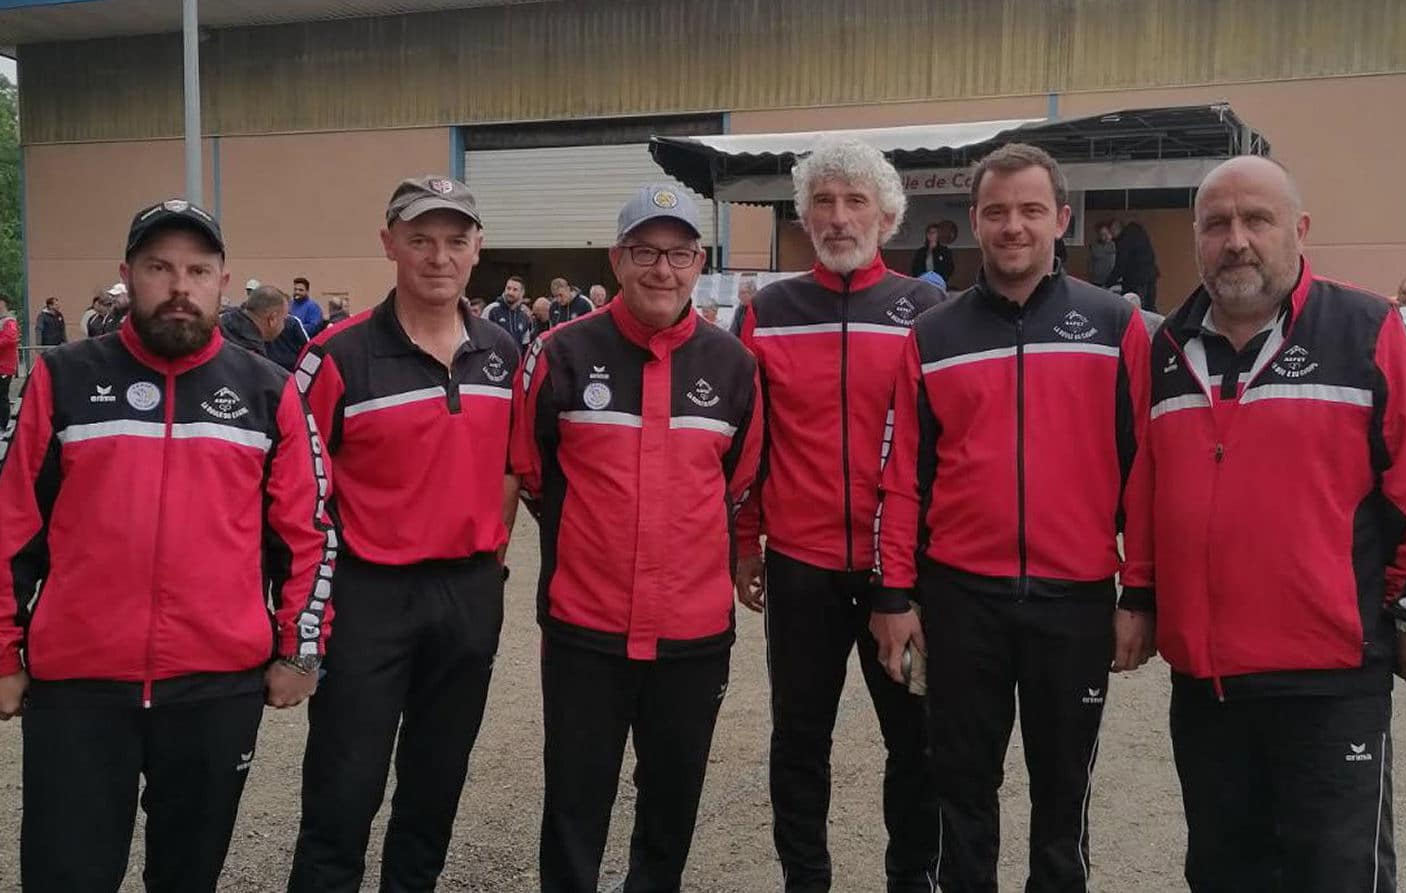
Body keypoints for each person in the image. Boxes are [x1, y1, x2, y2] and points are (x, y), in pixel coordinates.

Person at [0, 198, 334, 892]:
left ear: (222, 281)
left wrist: (299, 649)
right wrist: (3, 652)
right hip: (80, 687)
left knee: (188, 877)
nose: (180, 286)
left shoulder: (266, 389)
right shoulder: (62, 376)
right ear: (128, 276)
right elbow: (10, 522)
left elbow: (307, 532)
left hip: (215, 686)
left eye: (198, 270)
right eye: (159, 267)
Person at [873, 143, 1155, 893]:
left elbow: (1145, 471)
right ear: (974, 222)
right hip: (963, 599)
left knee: (1063, 800)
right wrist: (893, 594)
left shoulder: (1114, 325)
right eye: (996, 212)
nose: (1013, 226)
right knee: (962, 792)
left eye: (1031, 210)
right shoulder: (934, 335)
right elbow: (903, 476)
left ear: (1061, 219)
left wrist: (1139, 593)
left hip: (1075, 600)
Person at [1149, 156, 1406, 892]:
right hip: (1209, 689)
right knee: (1224, 875)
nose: (1236, 240)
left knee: (1338, 876)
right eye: (1216, 224)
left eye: (1257, 220)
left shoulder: (1372, 328)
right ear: (1197, 236)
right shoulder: (1168, 346)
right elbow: (1148, 492)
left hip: (1330, 685)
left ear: (1299, 229)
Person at [513, 183, 762, 893]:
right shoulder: (559, 352)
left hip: (693, 632)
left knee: (671, 807)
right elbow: (532, 471)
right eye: (646, 252)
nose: (662, 269)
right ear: (618, 259)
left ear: (699, 262)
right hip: (585, 628)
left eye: (679, 254)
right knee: (574, 803)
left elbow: (739, 480)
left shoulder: (733, 365)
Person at [288, 175, 521, 893]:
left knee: (434, 785)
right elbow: (297, 488)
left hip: (469, 592)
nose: (438, 256)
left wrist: (491, 560)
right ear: (389, 244)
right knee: (344, 789)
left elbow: (510, 467)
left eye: (455, 240)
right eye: (420, 239)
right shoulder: (335, 355)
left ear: (478, 248)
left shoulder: (502, 354)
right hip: (369, 597)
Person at [731, 137, 947, 893]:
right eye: (823, 201)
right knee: (799, 739)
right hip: (801, 568)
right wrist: (745, 541)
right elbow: (751, 441)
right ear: (805, 217)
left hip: (903, 574)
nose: (838, 216)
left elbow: (943, 445)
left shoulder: (927, 311)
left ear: (887, 217)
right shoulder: (769, 312)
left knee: (918, 739)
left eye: (856, 201)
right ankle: (805, 878)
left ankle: (913, 877)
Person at [220, 285, 291, 354]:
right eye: (283, 319)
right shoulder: (252, 354)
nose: (283, 326)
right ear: (272, 318)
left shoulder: (221, 324)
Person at [1107, 218, 1159, 310]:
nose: (1111, 236)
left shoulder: (1124, 240)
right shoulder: (1139, 233)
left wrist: (1109, 283)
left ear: (1116, 229)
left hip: (1136, 280)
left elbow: (1121, 264)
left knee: (1136, 308)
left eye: (1111, 232)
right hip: (1150, 275)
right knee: (1149, 307)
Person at [484, 275, 534, 348]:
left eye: (515, 290)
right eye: (508, 288)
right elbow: (480, 335)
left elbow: (525, 344)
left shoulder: (524, 316)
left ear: (522, 293)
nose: (510, 292)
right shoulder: (492, 309)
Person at [0, 294, 17, 430]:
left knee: (2, 396)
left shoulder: (9, 321)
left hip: (4, 366)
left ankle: (4, 424)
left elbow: (10, 339)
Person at [1088, 222, 1117, 286]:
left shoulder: (1117, 245)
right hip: (1096, 281)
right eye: (1102, 234)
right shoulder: (1094, 246)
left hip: (1112, 280)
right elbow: (1090, 263)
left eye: (1107, 233)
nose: (1106, 236)